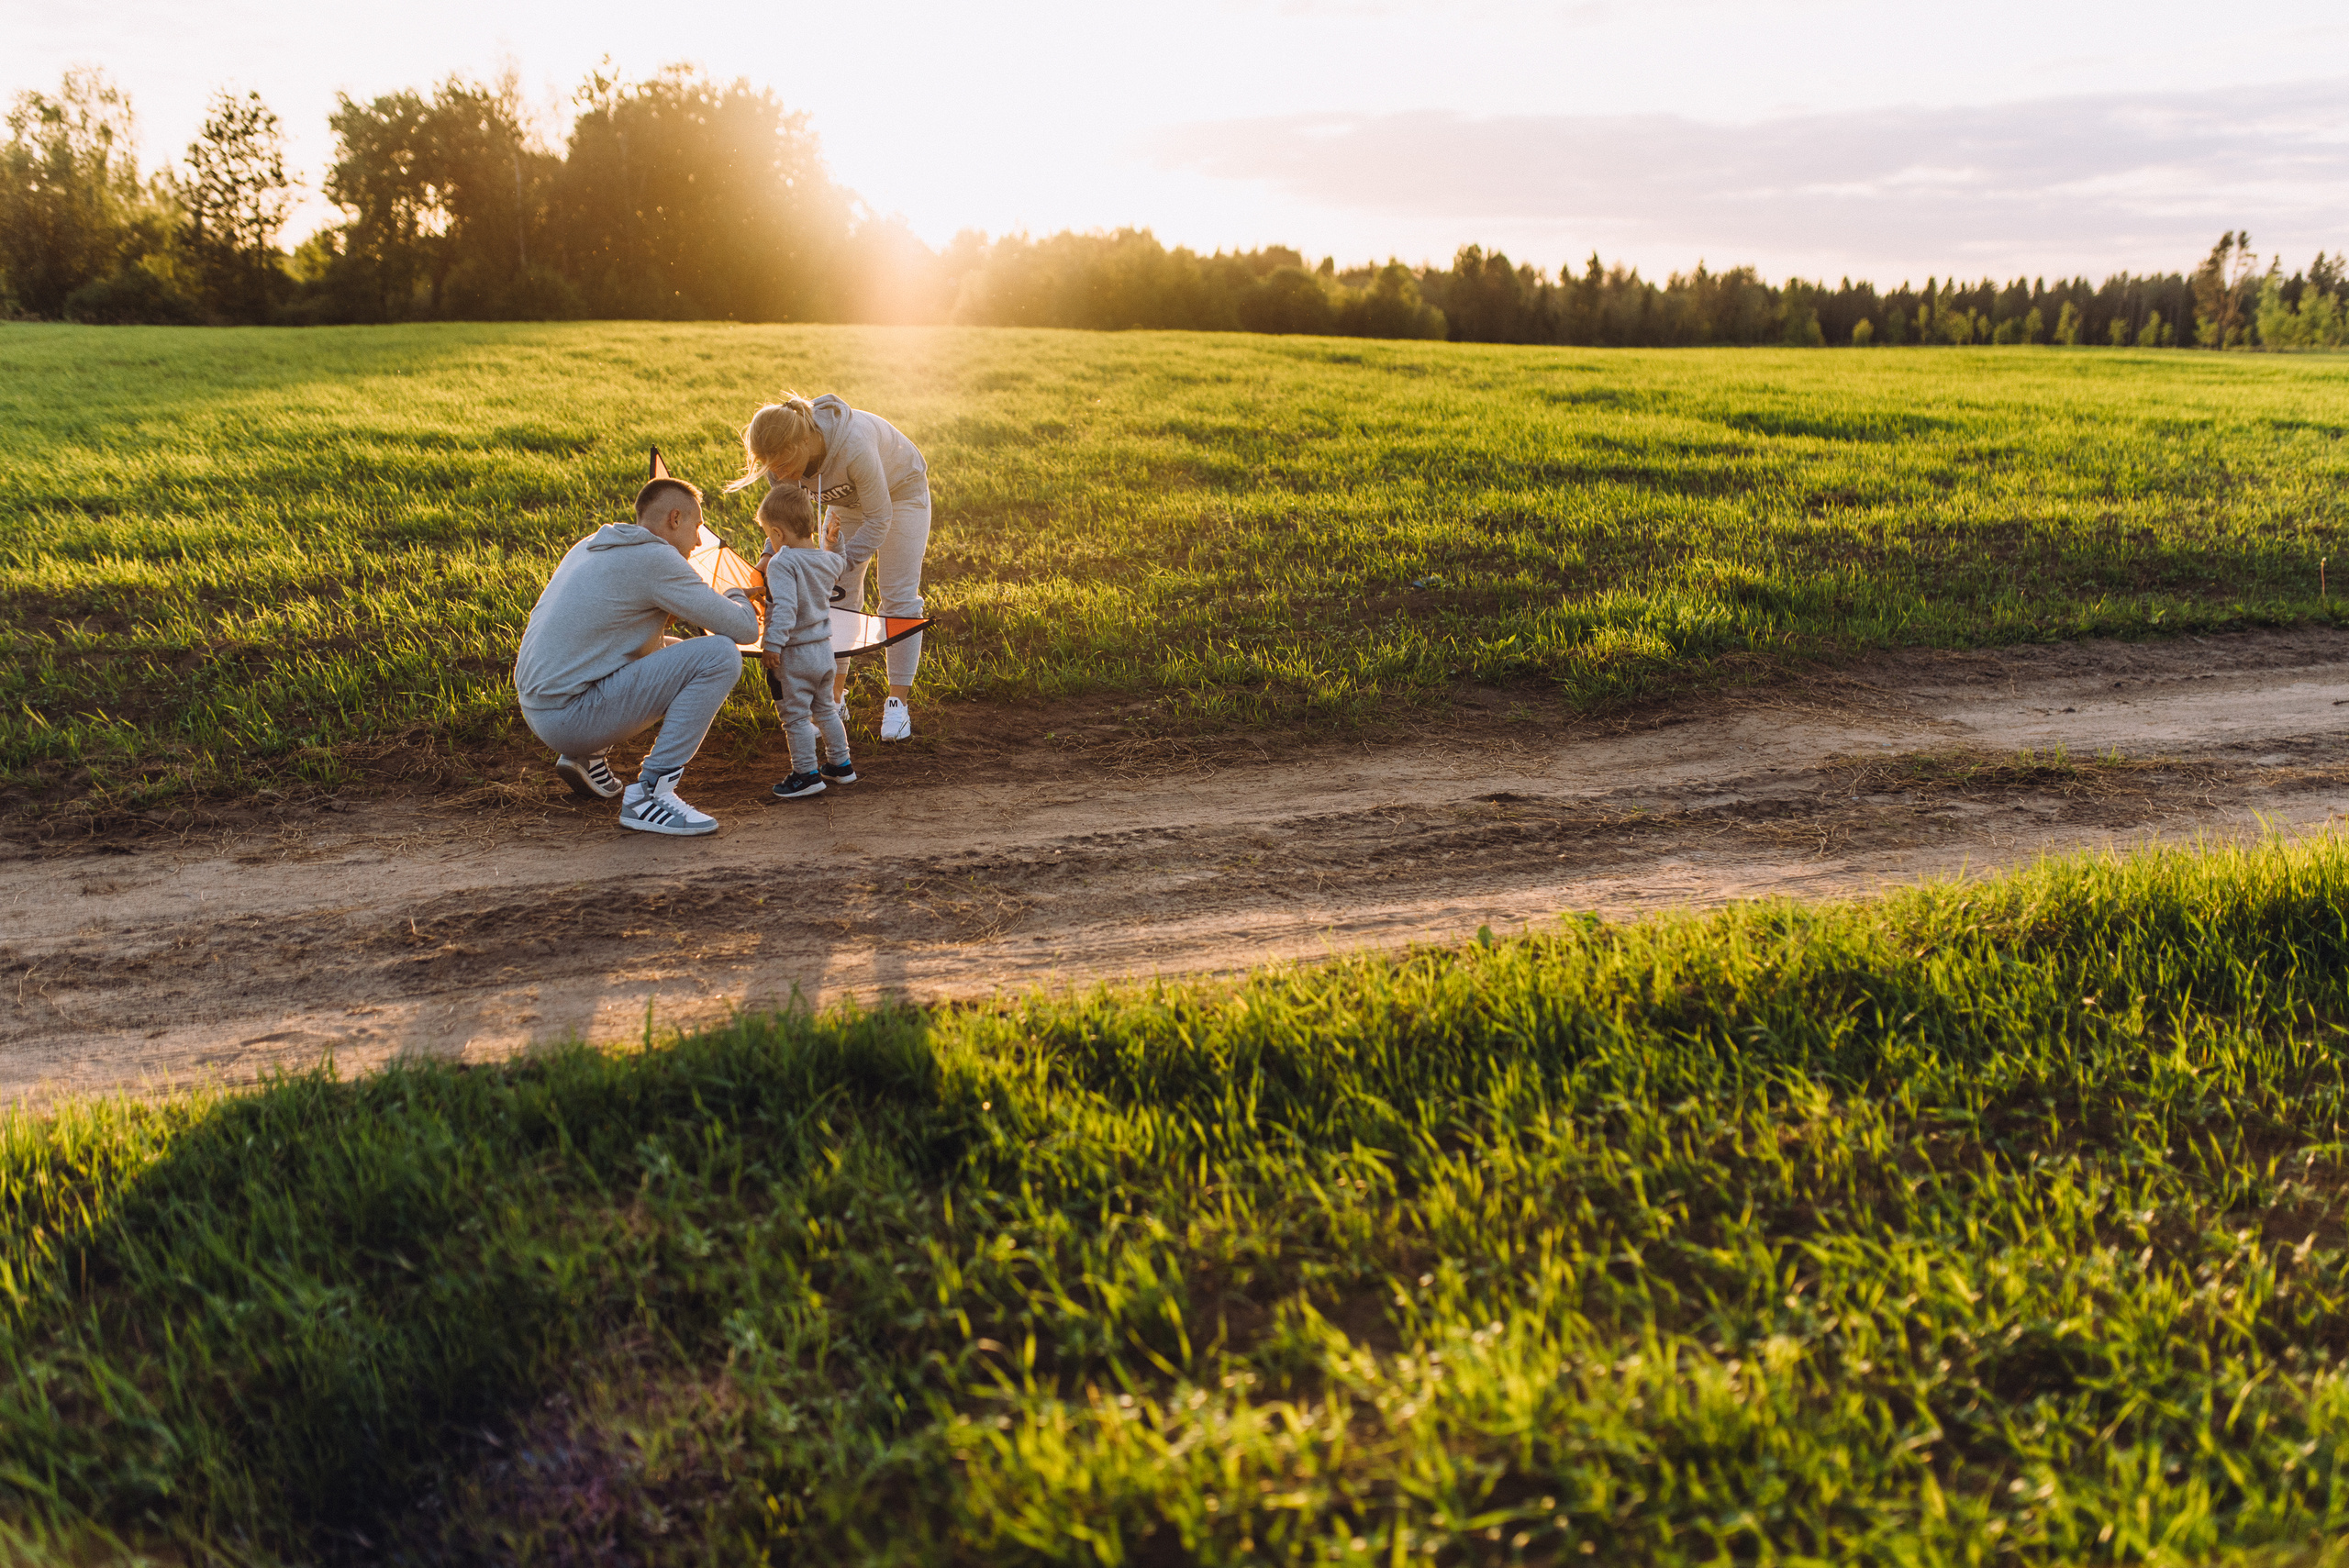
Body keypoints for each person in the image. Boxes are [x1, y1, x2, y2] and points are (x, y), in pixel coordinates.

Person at [512, 475, 762, 837]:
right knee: (719, 655)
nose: (696, 541)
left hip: (539, 708)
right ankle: (650, 795)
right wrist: (736, 593)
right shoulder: (657, 558)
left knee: (672, 647)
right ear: (675, 519)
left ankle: (586, 757)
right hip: (571, 718)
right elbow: (744, 630)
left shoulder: (593, 544)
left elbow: (611, 629)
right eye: (697, 528)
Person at [727, 392, 930, 741]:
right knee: (836, 597)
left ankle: (898, 702)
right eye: (768, 463)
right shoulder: (780, 465)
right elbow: (787, 518)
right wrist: (767, 558)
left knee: (897, 594)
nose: (776, 471)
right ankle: (834, 697)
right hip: (845, 506)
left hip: (900, 494)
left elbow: (880, 518)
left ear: (805, 439)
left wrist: (835, 563)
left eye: (782, 460)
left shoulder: (853, 445)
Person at [755, 485, 856, 800]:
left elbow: (785, 608)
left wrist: (772, 644)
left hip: (795, 655)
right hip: (824, 651)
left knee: (795, 717)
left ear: (777, 533)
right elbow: (841, 562)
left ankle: (806, 774)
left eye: (768, 537)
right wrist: (833, 541)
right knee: (826, 709)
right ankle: (841, 765)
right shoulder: (825, 561)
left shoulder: (782, 563)